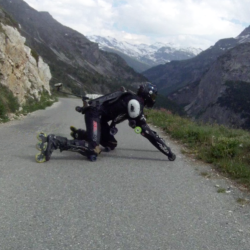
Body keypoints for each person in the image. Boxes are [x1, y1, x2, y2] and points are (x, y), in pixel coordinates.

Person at [42, 82, 176, 162]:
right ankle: (55, 141)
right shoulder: (135, 104)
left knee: (111, 144)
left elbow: (141, 128)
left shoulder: (133, 100)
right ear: (147, 95)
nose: (153, 99)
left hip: (100, 118)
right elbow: (146, 132)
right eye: (152, 96)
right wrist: (168, 152)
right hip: (94, 114)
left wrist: (145, 131)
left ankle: (83, 135)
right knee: (93, 149)